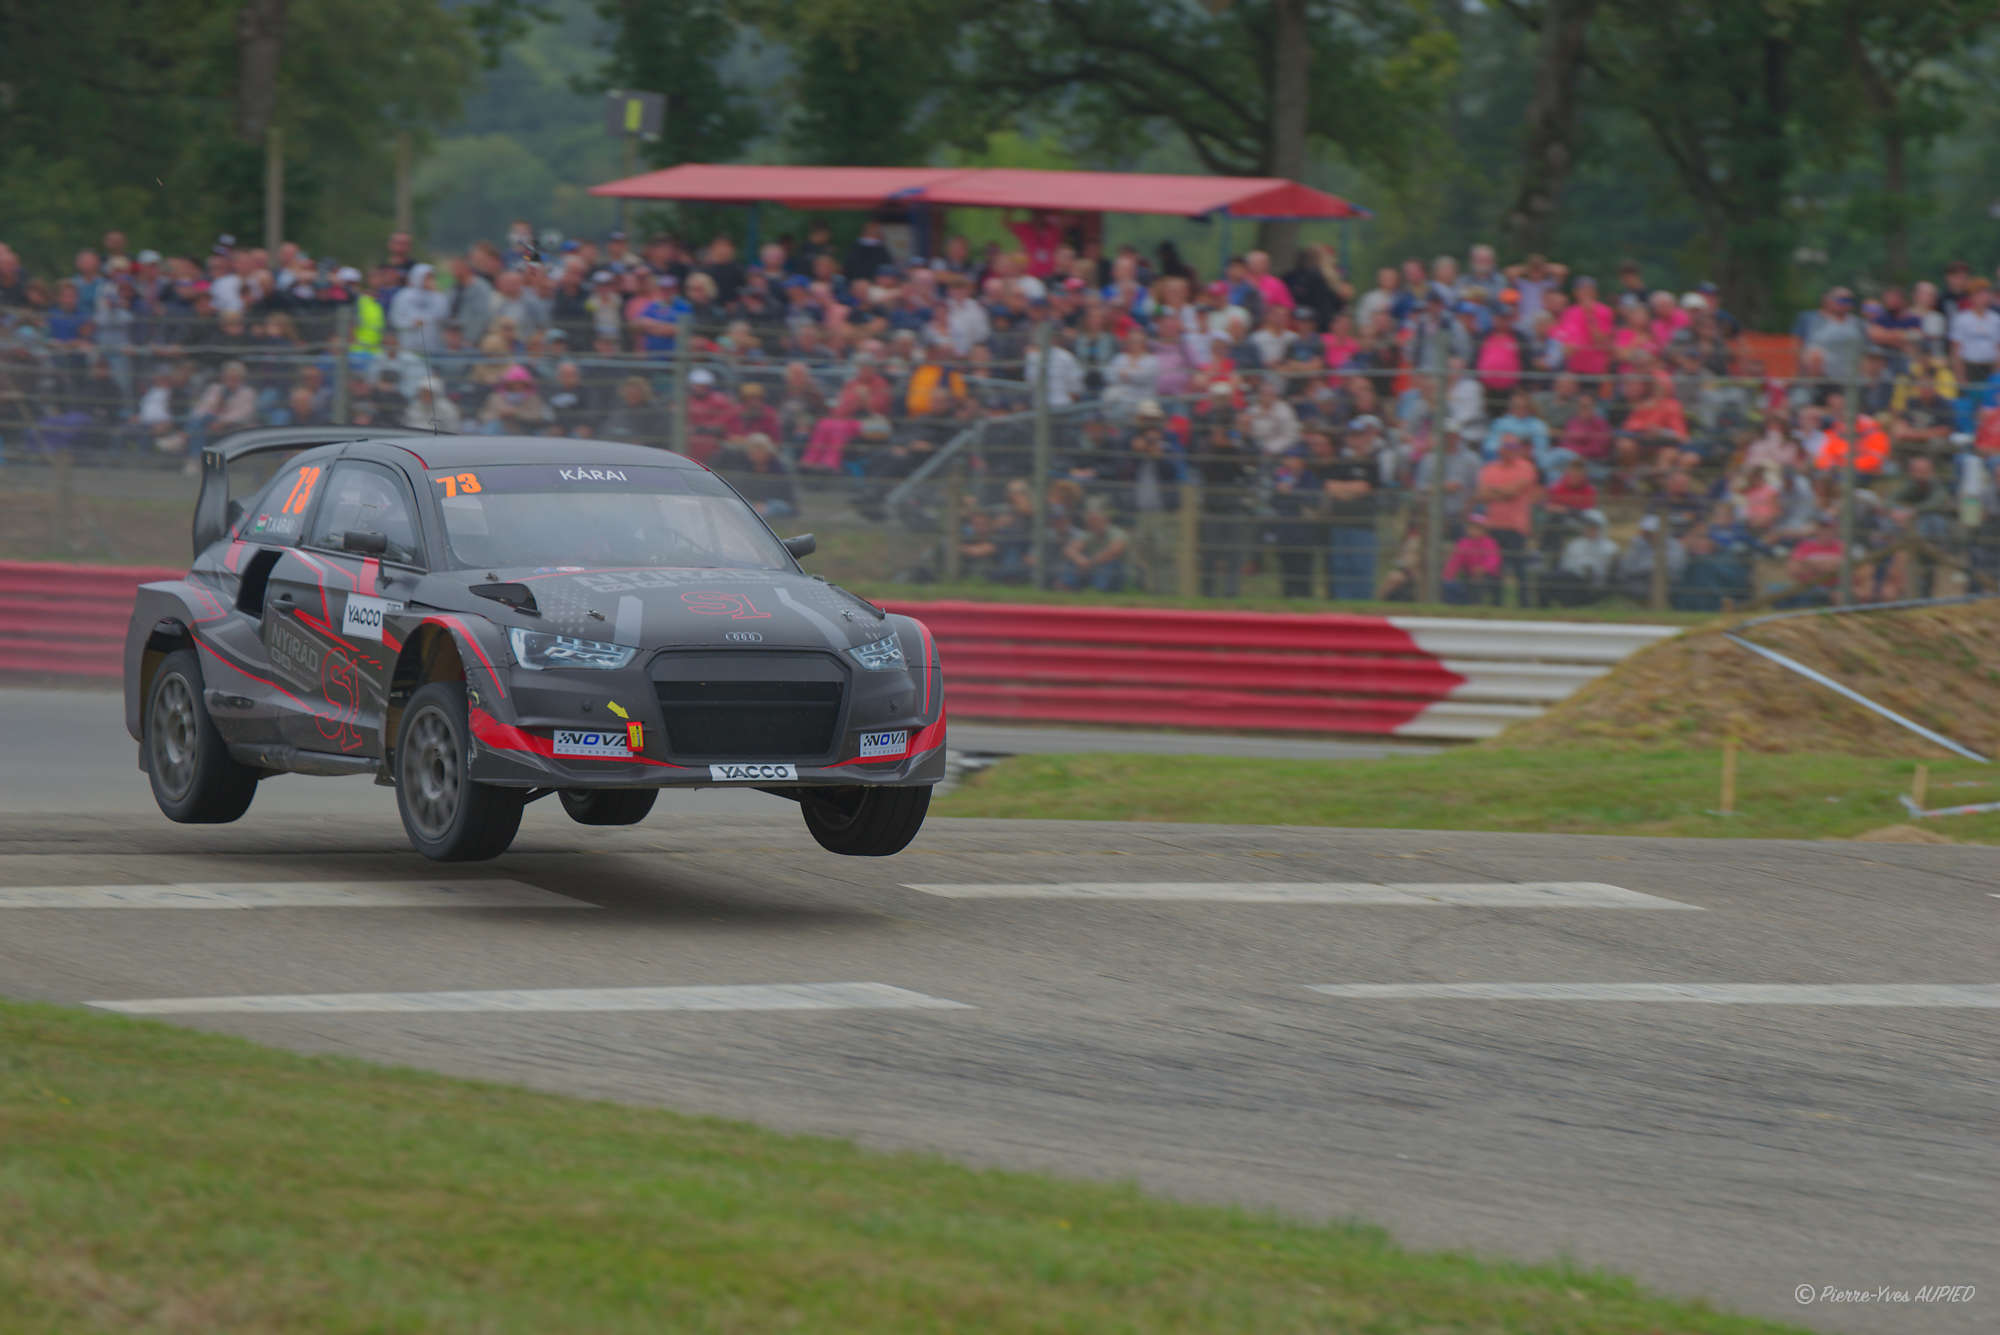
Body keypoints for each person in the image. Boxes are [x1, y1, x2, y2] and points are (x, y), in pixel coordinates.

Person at [1059, 501, 1129, 592]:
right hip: (1092, 568)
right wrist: (1080, 560)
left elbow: (1115, 551)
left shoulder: (1116, 533)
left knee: (1109, 565)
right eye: (1091, 521)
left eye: (1096, 520)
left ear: (1105, 520)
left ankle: (1097, 591)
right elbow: (1069, 550)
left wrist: (1091, 562)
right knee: (1073, 563)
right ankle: (1066, 587)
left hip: (1117, 573)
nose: (1093, 524)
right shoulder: (1090, 534)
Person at [1443, 512, 1503, 604]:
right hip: (1469, 573)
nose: (1473, 530)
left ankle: (1476, 604)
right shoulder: (1464, 543)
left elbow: (1493, 559)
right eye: (1471, 527)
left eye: (1477, 528)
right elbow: (1456, 560)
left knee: (1479, 583)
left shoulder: (1489, 542)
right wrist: (1448, 575)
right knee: (1452, 585)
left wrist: (1483, 569)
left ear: (1484, 530)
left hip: (1488, 574)